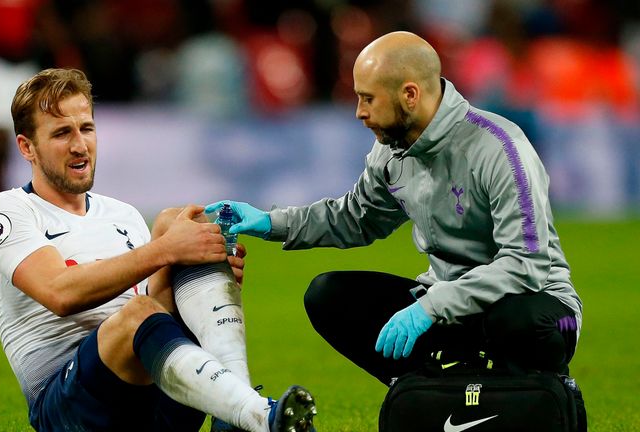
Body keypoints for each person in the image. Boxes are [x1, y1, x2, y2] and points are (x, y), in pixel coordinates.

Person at [207, 31, 586, 427]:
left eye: (367, 98)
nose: (358, 111)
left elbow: (525, 264)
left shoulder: (500, 149)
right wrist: (269, 223)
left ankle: (531, 397)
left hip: (543, 308)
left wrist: (431, 306)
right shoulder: (391, 152)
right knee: (328, 296)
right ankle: (439, 395)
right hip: (447, 309)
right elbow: (354, 218)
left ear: (409, 94)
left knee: (522, 320)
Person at [0, 68, 317, 432]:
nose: (79, 145)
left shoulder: (123, 215)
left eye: (86, 128)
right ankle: (254, 414)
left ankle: (235, 408)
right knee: (143, 300)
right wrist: (166, 250)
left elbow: (158, 312)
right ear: (27, 146)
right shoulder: (6, 211)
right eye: (61, 133)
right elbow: (60, 292)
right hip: (72, 409)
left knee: (187, 222)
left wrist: (205, 280)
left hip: (153, 397)